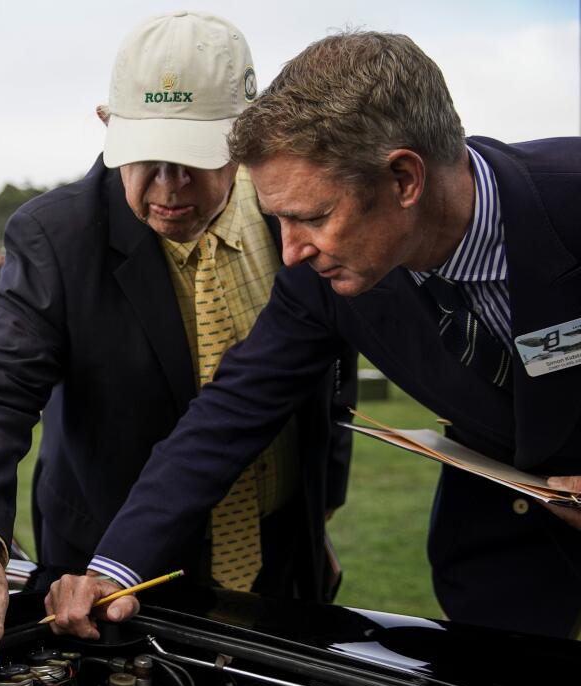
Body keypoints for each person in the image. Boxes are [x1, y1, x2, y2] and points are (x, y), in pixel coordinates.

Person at [50, 31, 581, 640]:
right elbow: (231, 410)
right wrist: (116, 569)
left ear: (404, 179)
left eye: (313, 217)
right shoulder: (321, 277)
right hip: (502, 551)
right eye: (277, 220)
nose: (291, 252)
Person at [0, 11, 355, 686]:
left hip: (282, 551)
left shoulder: (289, 213)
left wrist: (320, 503)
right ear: (107, 125)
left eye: (197, 157)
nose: (169, 185)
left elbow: (333, 360)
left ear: (248, 135)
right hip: (105, 579)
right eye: (146, 156)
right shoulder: (58, 236)